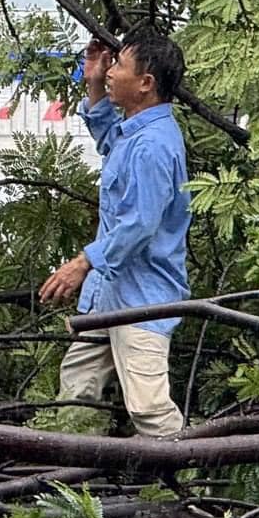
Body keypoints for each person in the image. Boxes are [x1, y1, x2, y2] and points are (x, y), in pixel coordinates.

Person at [39, 27, 190, 437]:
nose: (111, 70)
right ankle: (71, 485)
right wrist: (92, 83)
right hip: (110, 295)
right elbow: (109, 138)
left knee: (149, 408)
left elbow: (140, 224)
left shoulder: (155, 145)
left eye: (119, 64)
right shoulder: (135, 132)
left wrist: (82, 263)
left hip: (143, 298)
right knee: (78, 393)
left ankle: (186, 482)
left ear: (146, 83)